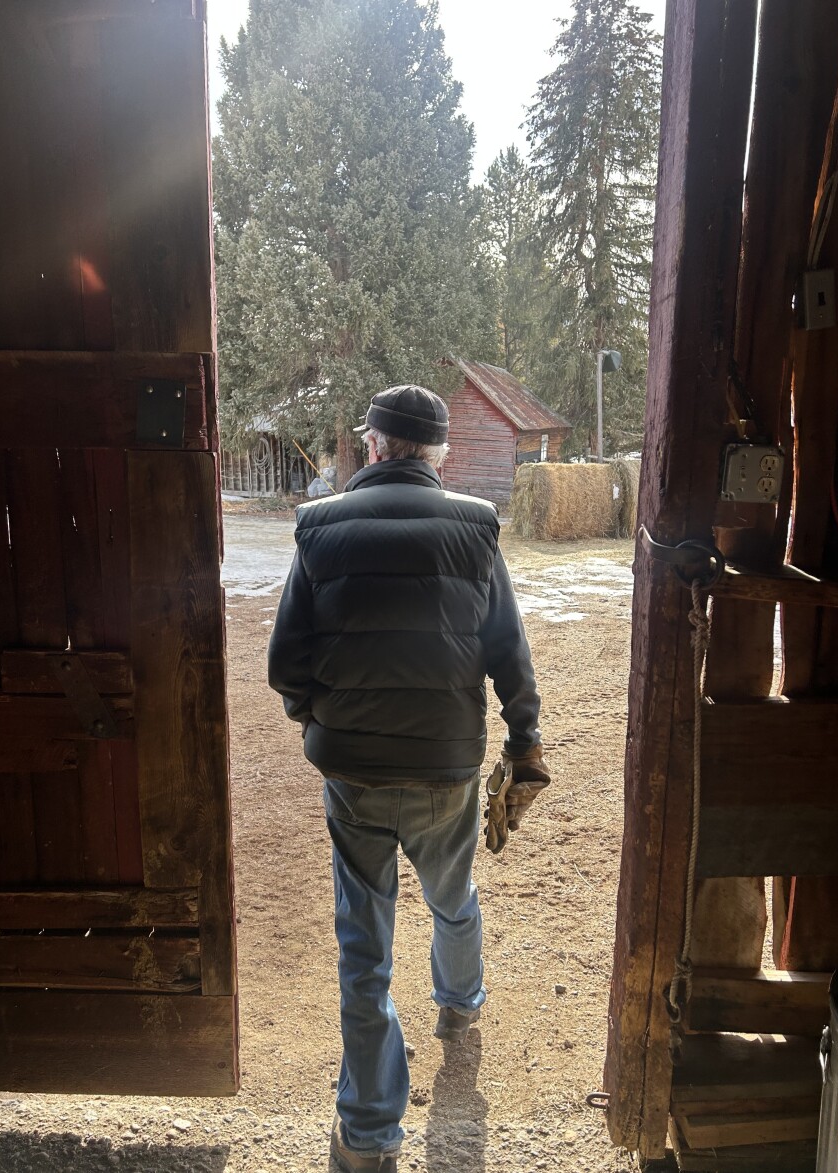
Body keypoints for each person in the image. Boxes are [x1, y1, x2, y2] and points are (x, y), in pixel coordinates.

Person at [268, 385, 549, 1173]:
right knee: (452, 895)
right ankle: (459, 1008)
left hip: (353, 771)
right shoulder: (475, 529)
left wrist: (316, 717)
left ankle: (367, 1134)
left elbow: (285, 663)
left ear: (377, 446)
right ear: (435, 454)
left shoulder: (319, 528)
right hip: (447, 762)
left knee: (364, 946)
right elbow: (509, 653)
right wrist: (524, 736)